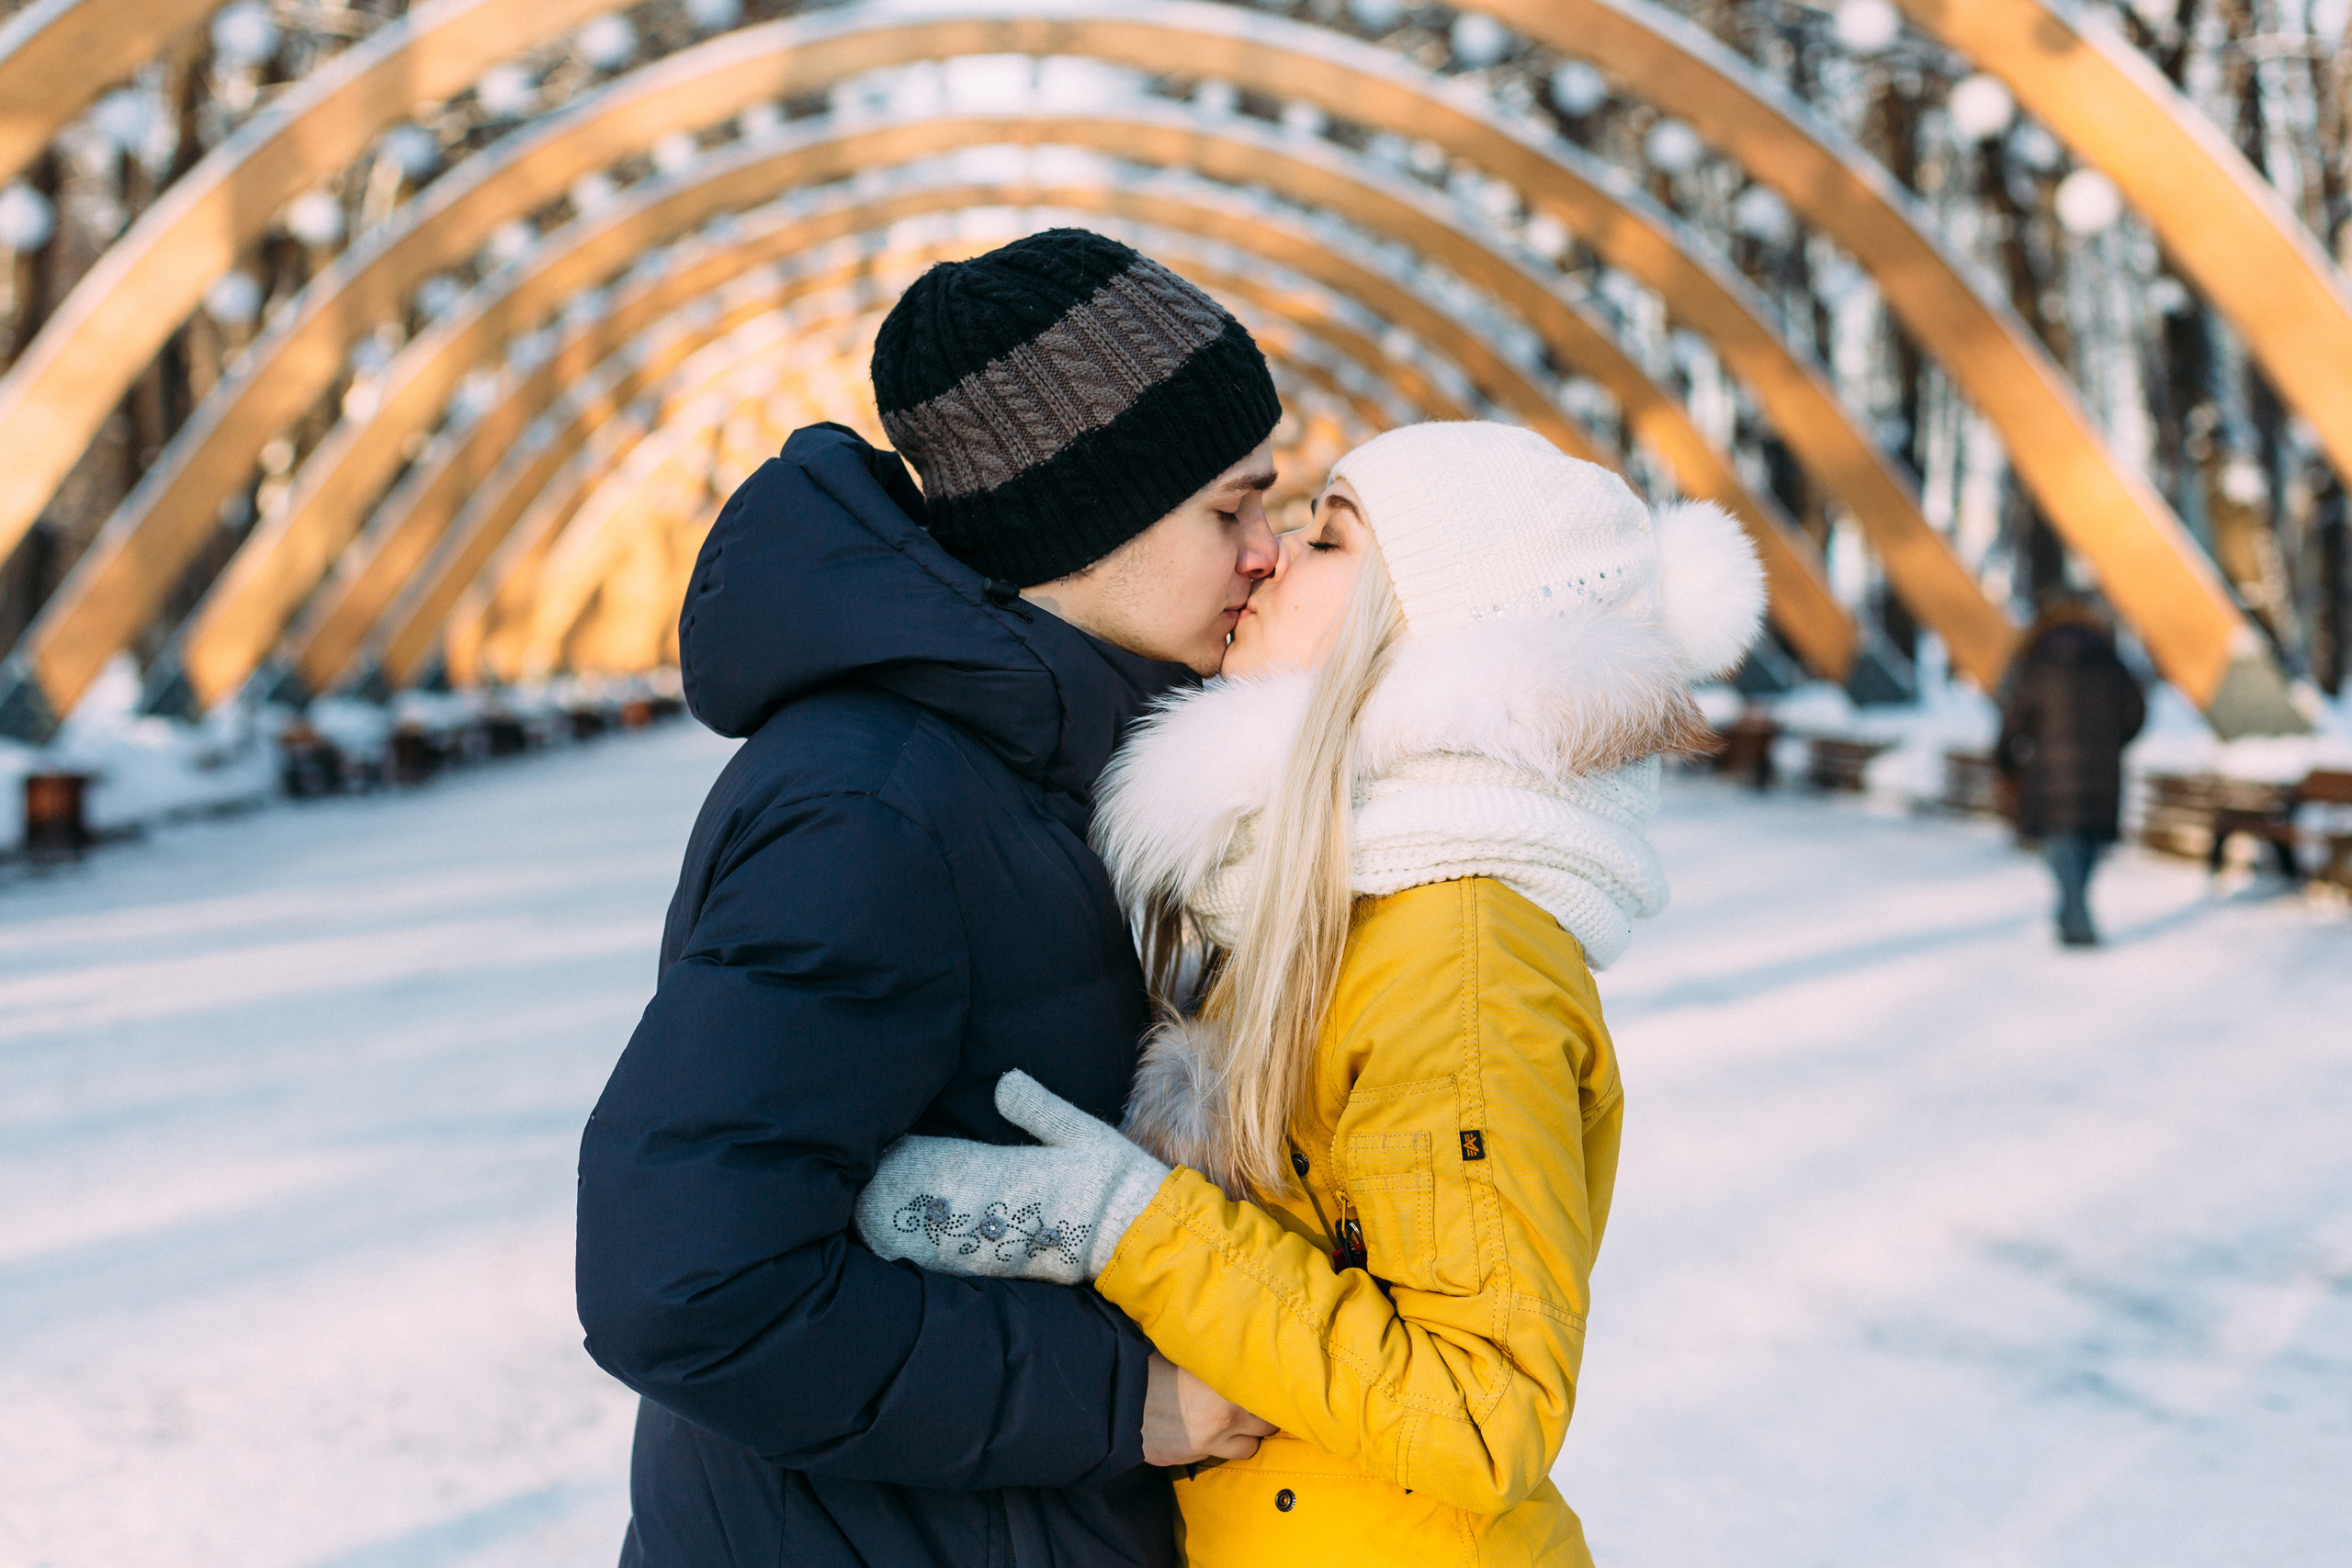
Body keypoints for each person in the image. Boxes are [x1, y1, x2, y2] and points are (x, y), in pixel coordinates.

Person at [856, 422, 1768, 1566]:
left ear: (1435, 631)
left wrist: (1127, 1225)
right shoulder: (1336, 897)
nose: (1273, 554)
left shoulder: (1456, 956)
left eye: (1329, 540)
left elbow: (1484, 1419)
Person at [575, 229, 1292, 1567]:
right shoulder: (876, 808)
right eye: (1231, 510)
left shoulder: (1059, 760)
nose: (1269, 551)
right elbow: (686, 1285)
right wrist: (1127, 1396)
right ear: (1093, 516)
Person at [1996, 597, 2147, 947]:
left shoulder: (2036, 661)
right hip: (2103, 771)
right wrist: (2113, 741)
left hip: (2049, 770)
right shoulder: (2111, 659)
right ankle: (2073, 912)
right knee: (2088, 843)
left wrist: (2007, 755)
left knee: (2060, 843)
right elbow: (2135, 712)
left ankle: (2077, 922)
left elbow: (2016, 714)